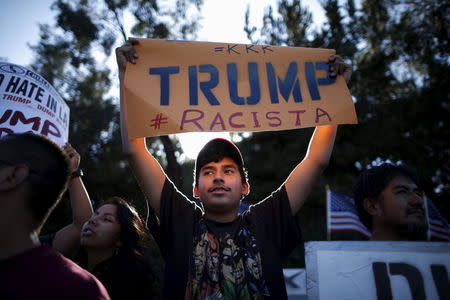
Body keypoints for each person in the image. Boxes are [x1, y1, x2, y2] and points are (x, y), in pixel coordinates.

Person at [116, 39, 352, 299]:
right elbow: (135, 150)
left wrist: (333, 92)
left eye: (228, 170)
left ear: (245, 187)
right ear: (195, 189)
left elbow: (315, 160)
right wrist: (127, 76)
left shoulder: (266, 220)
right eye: (208, 172)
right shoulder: (180, 218)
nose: (218, 177)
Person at [0, 133, 110, 300]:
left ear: (12, 176)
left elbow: (82, 224)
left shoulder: (77, 291)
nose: (94, 221)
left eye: (107, 219)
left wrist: (73, 173)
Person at [50, 144, 162, 299]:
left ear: (120, 240)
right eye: (95, 215)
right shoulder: (64, 271)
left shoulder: (129, 288)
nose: (92, 221)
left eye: (106, 219)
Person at [352, 163, 428, 241]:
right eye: (402, 192)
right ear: (372, 207)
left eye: (418, 193)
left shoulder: (434, 252)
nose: (419, 201)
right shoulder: (350, 253)